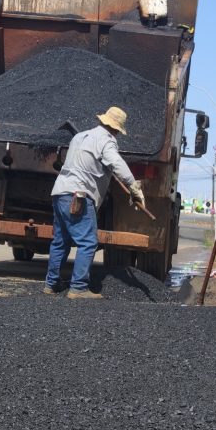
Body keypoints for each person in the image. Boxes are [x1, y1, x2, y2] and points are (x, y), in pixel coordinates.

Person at [44, 106, 145, 299]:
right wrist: (133, 186)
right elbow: (117, 163)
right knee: (88, 242)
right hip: (79, 195)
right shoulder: (107, 141)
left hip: (60, 192)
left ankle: (51, 284)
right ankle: (79, 288)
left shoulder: (80, 137)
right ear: (116, 129)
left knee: (61, 241)